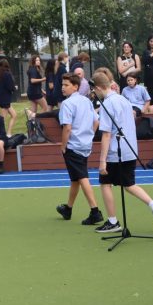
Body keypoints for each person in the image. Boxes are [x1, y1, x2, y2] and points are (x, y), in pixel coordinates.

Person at [91, 71, 153, 234]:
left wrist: (102, 160)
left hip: (115, 151)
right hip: (129, 149)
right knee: (128, 184)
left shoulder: (107, 104)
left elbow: (106, 134)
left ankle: (113, 221)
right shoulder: (123, 100)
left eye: (94, 90)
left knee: (105, 183)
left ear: (98, 87)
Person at [55, 73, 104, 224]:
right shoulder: (87, 101)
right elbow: (96, 122)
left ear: (75, 87)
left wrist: (63, 146)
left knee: (82, 177)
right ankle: (68, 208)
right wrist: (89, 136)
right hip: (85, 144)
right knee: (75, 178)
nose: (63, 88)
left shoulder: (67, 104)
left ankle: (95, 211)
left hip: (73, 145)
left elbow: (67, 128)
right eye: (62, 85)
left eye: (66, 85)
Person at [0, 59, 17, 137]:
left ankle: (8, 133)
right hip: (6, 98)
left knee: (14, 115)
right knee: (2, 119)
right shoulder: (7, 74)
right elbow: (10, 86)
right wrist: (14, 88)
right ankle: (0, 134)